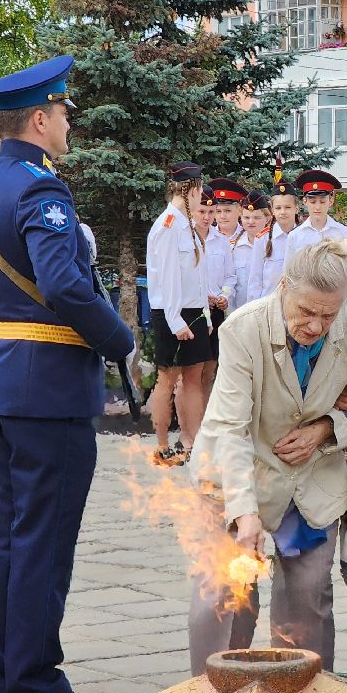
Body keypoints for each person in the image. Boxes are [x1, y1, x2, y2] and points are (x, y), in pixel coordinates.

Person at [0, 55, 135, 693]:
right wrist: (120, 339)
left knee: (9, 533)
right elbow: (62, 284)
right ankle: (32, 680)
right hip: (48, 391)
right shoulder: (40, 188)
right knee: (45, 536)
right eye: (63, 111)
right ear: (39, 118)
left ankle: (6, 669)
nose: (68, 120)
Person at [188, 240, 347, 676]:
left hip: (311, 476)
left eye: (328, 315)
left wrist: (324, 429)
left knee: (308, 598)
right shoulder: (243, 329)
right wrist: (244, 512)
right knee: (226, 594)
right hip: (237, 470)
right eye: (306, 312)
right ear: (283, 288)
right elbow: (229, 429)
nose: (316, 326)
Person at [146, 163, 211, 466]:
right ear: (192, 190)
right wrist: (175, 321)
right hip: (172, 312)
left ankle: (193, 442)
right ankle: (161, 447)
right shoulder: (169, 226)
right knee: (167, 380)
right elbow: (169, 278)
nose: (201, 199)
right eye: (200, 191)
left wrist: (205, 316)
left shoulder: (186, 225)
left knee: (194, 378)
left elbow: (198, 277)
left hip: (193, 311)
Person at [196, 187, 236, 402]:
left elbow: (230, 277)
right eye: (202, 211)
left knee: (211, 369)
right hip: (194, 311)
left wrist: (224, 296)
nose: (207, 217)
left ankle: (206, 416)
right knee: (192, 372)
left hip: (217, 311)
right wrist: (204, 296)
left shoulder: (221, 241)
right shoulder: (185, 238)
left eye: (211, 212)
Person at [285, 169, 347, 270]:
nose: (317, 207)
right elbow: (288, 272)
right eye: (312, 202)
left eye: (322, 201)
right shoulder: (295, 236)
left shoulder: (344, 234)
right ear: (305, 201)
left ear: (331, 200)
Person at [248, 181, 299, 302]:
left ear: (296, 208)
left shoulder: (304, 236)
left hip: (297, 304)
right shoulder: (262, 239)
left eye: (287, 207)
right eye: (278, 208)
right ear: (272, 210)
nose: (283, 212)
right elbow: (255, 280)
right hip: (269, 305)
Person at [210, 178, 249, 308]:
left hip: (244, 308)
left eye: (227, 211)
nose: (222, 216)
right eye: (218, 211)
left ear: (239, 211)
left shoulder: (250, 239)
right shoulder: (207, 240)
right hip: (215, 309)